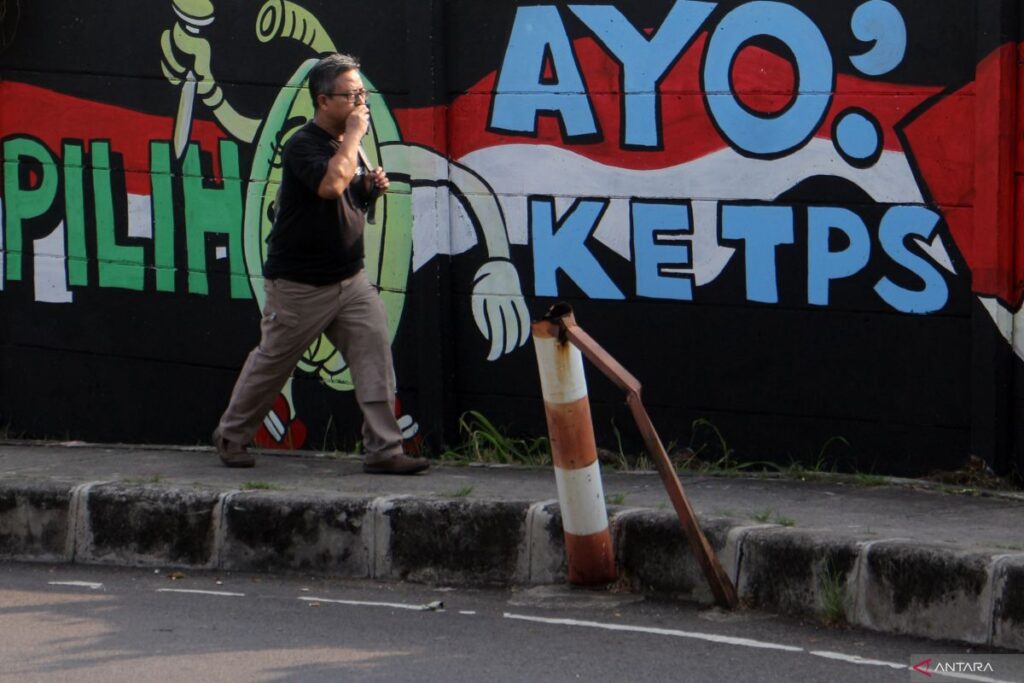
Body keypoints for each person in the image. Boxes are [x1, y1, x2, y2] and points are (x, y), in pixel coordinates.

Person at [212, 53, 429, 475]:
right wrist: (353, 136)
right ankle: (231, 436)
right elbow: (330, 186)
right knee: (273, 362)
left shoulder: (346, 148)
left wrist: (367, 189)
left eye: (361, 93)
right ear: (323, 100)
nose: (360, 103)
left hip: (349, 280)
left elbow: (344, 200)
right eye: (351, 95)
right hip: (299, 286)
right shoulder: (303, 145)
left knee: (373, 355)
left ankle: (384, 450)